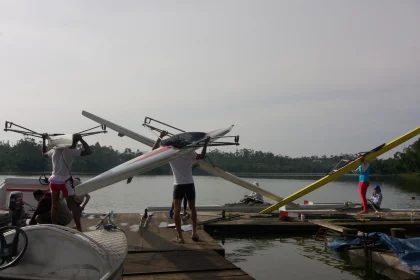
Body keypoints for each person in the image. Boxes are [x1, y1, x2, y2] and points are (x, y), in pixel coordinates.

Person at [153, 130, 210, 243]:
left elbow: (154, 151)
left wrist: (160, 136)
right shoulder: (189, 153)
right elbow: (202, 156)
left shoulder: (171, 154)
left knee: (176, 211)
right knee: (192, 208)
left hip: (178, 185)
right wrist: (205, 143)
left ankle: (180, 237)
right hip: (189, 184)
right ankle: (194, 233)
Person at [42, 133, 92, 232]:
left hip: (53, 181)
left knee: (54, 205)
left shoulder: (53, 150)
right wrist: (81, 139)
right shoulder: (70, 151)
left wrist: (43, 140)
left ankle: (54, 227)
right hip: (65, 182)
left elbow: (43, 154)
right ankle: (79, 228)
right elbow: (88, 151)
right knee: (73, 206)